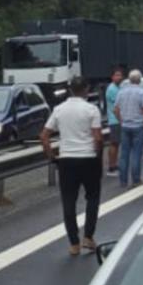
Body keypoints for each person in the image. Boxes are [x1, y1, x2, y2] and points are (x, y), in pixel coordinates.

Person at [41, 77, 103, 256]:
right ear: (86, 89)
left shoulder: (59, 110)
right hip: (88, 158)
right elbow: (98, 138)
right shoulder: (92, 109)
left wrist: (52, 156)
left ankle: (73, 243)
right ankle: (88, 237)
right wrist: (97, 155)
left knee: (68, 200)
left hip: (67, 159)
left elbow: (44, 136)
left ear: (69, 90)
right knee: (92, 198)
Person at [113, 69, 143, 188]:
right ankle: (136, 180)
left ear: (129, 80)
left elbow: (115, 109)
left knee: (124, 154)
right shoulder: (142, 92)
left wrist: (121, 120)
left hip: (125, 126)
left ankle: (123, 181)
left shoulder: (121, 92)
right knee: (136, 153)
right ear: (139, 80)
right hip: (138, 126)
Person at [104, 67, 125, 175]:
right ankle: (111, 167)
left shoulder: (119, 87)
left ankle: (114, 165)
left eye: (120, 75)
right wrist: (121, 120)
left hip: (118, 119)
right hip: (115, 120)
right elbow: (118, 106)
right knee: (114, 143)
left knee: (116, 144)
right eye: (116, 75)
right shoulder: (112, 89)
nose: (119, 77)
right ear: (112, 77)